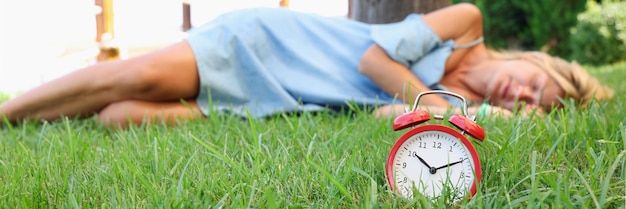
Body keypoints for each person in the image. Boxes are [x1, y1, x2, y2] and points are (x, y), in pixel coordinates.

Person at [0, 3, 614, 128]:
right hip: (274, 43)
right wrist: (432, 105)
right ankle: (9, 114)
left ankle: (60, 110)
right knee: (133, 76)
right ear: (537, 62)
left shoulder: (464, 115)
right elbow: (375, 60)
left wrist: (424, 113)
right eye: (537, 85)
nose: (523, 95)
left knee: (120, 118)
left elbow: (379, 112)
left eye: (534, 107)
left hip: (283, 97)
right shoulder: (468, 25)